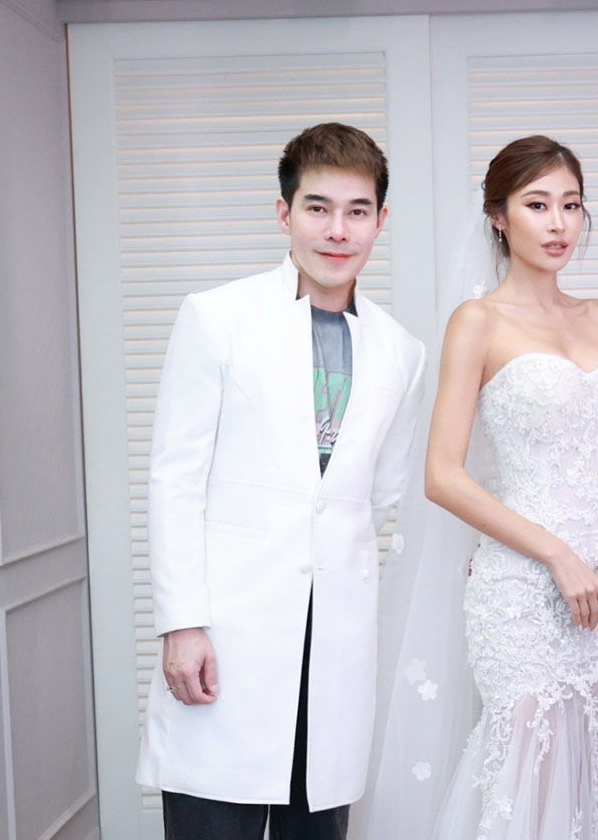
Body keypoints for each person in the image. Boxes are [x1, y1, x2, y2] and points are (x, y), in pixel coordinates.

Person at [135, 122, 426, 840]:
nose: (338, 230)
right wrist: (182, 623)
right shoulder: (217, 318)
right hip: (228, 635)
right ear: (284, 213)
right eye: (317, 207)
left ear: (381, 220)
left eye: (357, 211)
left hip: (335, 647)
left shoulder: (402, 352)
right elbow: (175, 479)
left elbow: (382, 496)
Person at [420, 135, 598, 839]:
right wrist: (558, 555)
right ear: (499, 217)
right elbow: (442, 475)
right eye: (537, 205)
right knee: (527, 768)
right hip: (522, 588)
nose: (559, 223)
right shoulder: (478, 322)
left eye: (571, 205)